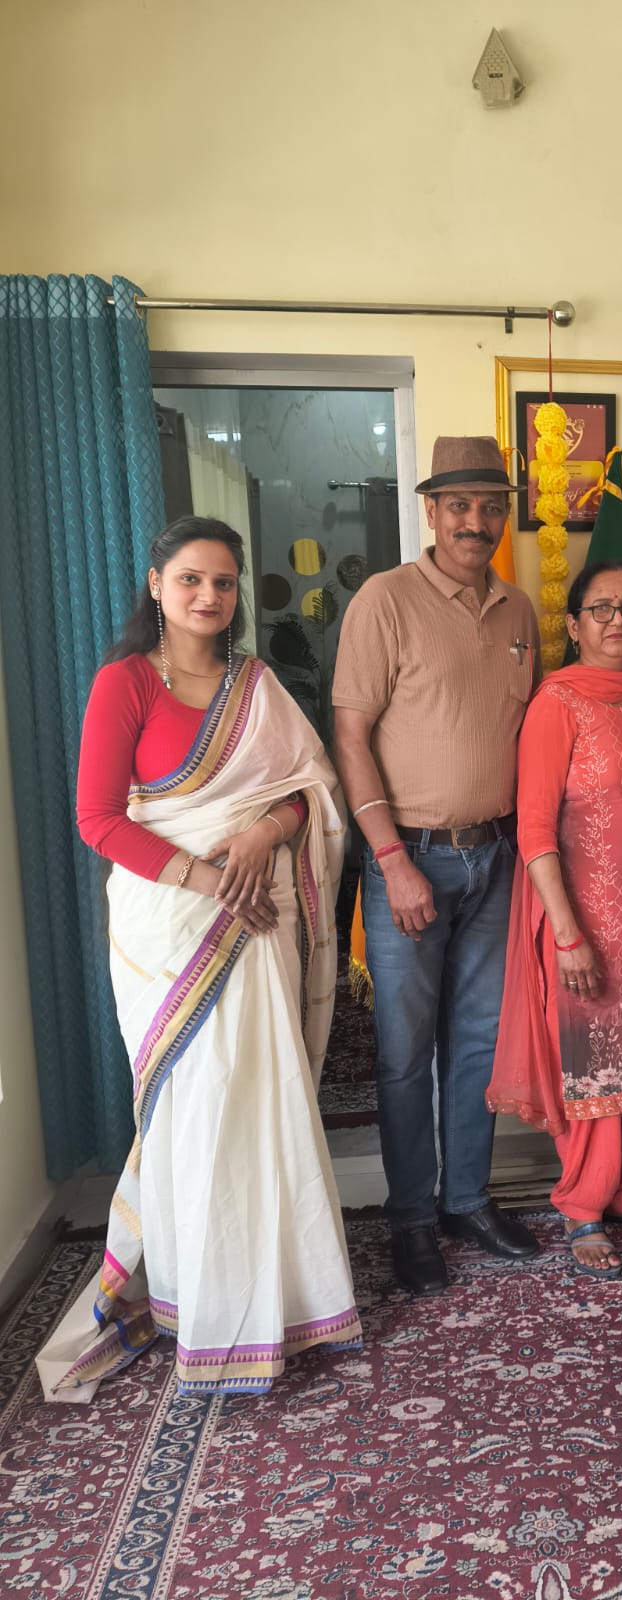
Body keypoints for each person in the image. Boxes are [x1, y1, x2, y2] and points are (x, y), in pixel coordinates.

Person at [38, 517, 361, 1401]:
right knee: (199, 1103)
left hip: (259, 919)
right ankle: (201, 1299)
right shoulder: (125, 683)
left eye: (223, 582)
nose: (209, 596)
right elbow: (98, 819)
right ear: (157, 585)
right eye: (190, 579)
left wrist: (262, 832)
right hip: (174, 925)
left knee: (265, 1092)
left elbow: (312, 789)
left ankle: (293, 1295)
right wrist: (211, 879)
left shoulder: (256, 686)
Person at [332, 437, 541, 1298]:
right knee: (405, 1053)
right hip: (409, 861)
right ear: (430, 511)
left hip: (496, 857)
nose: (475, 522)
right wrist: (391, 860)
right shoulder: (385, 600)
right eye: (458, 505)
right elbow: (350, 737)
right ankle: (411, 1218)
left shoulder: (519, 610)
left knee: (479, 1042)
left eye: (491, 506)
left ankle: (466, 1201)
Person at [488, 561, 622, 1277]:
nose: (617, 620)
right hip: (583, 926)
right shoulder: (558, 703)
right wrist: (568, 935)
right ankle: (582, 1203)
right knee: (593, 1065)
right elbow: (535, 830)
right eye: (600, 608)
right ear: (573, 625)